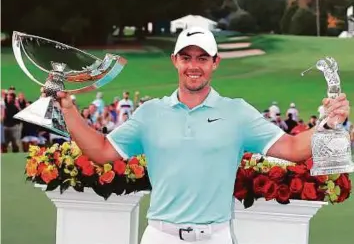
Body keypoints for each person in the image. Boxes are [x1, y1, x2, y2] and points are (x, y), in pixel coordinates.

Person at [44, 26, 350, 244]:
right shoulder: (150, 113)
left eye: (202, 58)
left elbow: (295, 148)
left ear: (215, 63)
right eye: (186, 57)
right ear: (175, 61)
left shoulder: (237, 113)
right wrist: (68, 108)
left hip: (215, 236)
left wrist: (329, 122)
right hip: (160, 236)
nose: (194, 66)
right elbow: (101, 152)